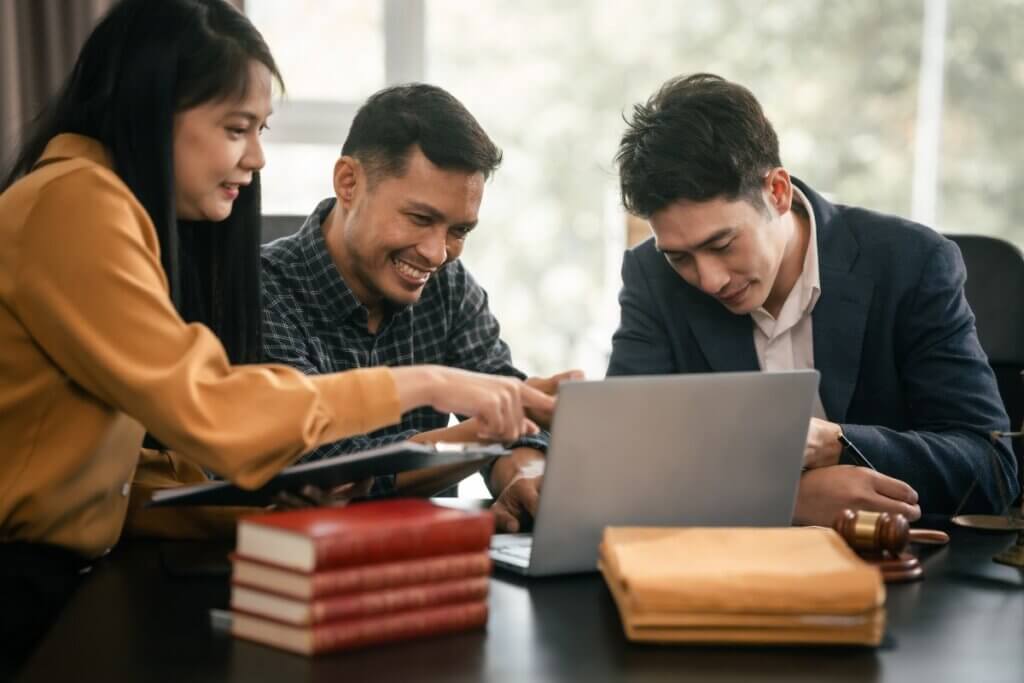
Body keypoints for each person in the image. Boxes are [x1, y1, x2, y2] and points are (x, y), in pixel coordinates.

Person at [0, 0, 550, 671]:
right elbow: (215, 408)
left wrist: (260, 513)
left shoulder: (91, 199)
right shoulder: (76, 202)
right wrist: (436, 386)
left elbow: (114, 485)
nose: (257, 157)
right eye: (238, 128)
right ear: (154, 108)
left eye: (260, 129)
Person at [607, 73, 1019, 526]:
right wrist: (789, 502)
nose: (708, 279)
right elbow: (623, 468)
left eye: (722, 244)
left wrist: (839, 445)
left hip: (902, 573)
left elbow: (992, 471)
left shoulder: (913, 263)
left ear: (777, 192)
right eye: (680, 257)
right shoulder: (651, 276)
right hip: (727, 572)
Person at [261, 83, 579, 533]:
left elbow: (506, 402)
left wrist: (526, 477)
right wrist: (499, 423)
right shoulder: (263, 293)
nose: (437, 253)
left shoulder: (447, 286)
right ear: (348, 183)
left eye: (459, 230)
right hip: (290, 570)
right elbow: (328, 466)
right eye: (420, 219)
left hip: (427, 563)